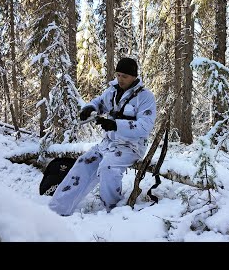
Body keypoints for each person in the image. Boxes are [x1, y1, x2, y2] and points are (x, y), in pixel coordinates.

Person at [49, 57, 157, 216]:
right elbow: (100, 103)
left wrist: (116, 125)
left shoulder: (145, 97)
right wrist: (90, 107)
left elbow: (144, 127)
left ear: (134, 76)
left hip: (131, 147)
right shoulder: (112, 91)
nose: (120, 79)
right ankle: (57, 209)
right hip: (108, 144)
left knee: (108, 168)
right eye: (118, 75)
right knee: (83, 163)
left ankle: (112, 211)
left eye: (124, 76)